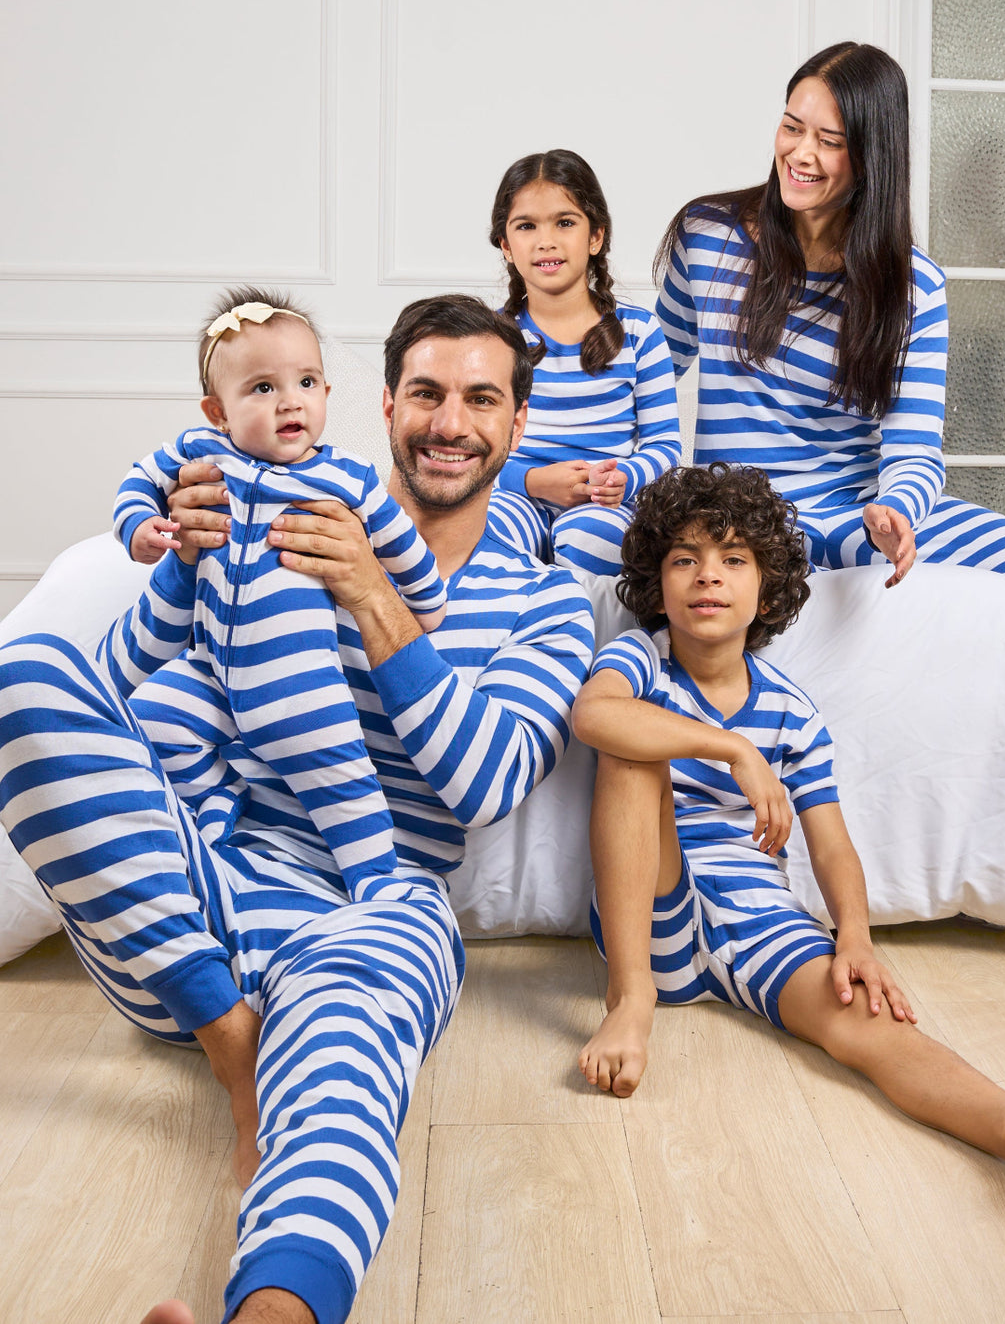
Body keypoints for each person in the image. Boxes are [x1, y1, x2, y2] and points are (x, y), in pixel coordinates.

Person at [0, 294, 594, 1324]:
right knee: (26, 671)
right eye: (427, 394)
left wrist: (373, 597)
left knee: (345, 1059)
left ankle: (271, 1312)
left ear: (517, 424)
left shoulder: (547, 603)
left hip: (381, 903)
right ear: (384, 405)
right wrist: (179, 562)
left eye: (481, 399)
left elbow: (487, 783)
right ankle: (233, 1041)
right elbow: (107, 700)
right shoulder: (279, 522)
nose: (451, 421)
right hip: (189, 914)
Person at [573, 461, 1005, 1210]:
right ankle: (630, 1002)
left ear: (767, 588)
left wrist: (855, 936)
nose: (707, 576)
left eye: (733, 559)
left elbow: (832, 844)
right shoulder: (639, 660)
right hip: (654, 914)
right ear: (657, 581)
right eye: (685, 559)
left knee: (869, 1024)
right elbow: (593, 717)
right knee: (630, 750)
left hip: (760, 919)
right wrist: (730, 749)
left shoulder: (790, 710)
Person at [655, 41, 1005, 637]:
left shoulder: (912, 287)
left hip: (855, 515)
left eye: (829, 141)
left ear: (871, 156)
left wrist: (896, 512)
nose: (801, 154)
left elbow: (914, 449)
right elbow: (645, 376)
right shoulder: (707, 237)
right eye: (791, 128)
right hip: (737, 518)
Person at [112, 288, 447, 899]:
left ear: (326, 394)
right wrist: (139, 526)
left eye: (307, 382)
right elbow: (139, 479)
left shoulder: (346, 477)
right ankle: (212, 819)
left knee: (344, 789)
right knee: (148, 723)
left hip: (299, 684)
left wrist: (424, 606)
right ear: (218, 411)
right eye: (262, 388)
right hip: (211, 672)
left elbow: (403, 549)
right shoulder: (202, 454)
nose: (290, 400)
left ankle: (379, 890)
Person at [486, 148, 681, 575]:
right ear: (506, 244)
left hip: (604, 503)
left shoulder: (640, 333)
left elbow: (665, 447)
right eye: (526, 226)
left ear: (596, 237)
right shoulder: (490, 339)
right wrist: (534, 481)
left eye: (565, 222)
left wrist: (623, 480)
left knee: (589, 537)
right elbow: (477, 447)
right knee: (489, 529)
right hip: (519, 495)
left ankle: (579, 636)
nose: (545, 240)